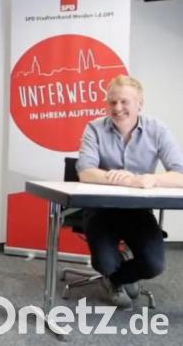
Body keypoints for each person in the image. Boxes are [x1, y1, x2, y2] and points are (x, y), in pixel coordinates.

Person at [76, 75, 183, 308]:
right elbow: (85, 171)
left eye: (124, 102)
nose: (117, 108)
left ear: (140, 104)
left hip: (137, 211)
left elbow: (180, 175)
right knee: (104, 263)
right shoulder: (94, 128)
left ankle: (119, 277)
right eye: (112, 102)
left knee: (155, 265)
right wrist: (118, 179)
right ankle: (113, 270)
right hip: (101, 210)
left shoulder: (157, 130)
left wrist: (149, 179)